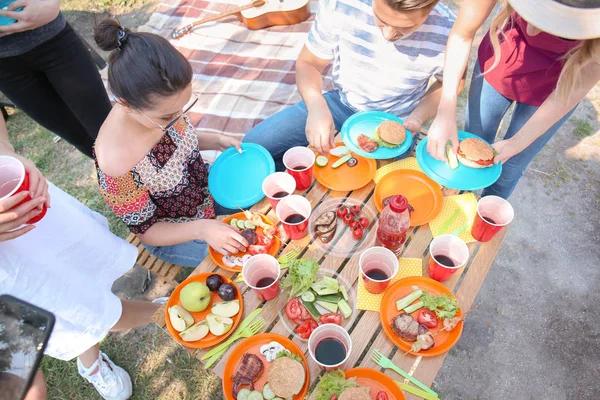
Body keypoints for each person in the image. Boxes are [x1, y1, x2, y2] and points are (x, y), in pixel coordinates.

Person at [0, 113, 160, 400]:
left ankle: (157, 314)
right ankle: (158, 317)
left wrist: (5, 152)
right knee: (71, 308)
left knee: (80, 269)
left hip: (21, 198)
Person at [92, 19, 248, 268]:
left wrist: (215, 140)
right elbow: (148, 230)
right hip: (173, 233)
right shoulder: (116, 164)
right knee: (243, 258)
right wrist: (202, 229)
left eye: (182, 109)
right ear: (126, 104)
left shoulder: (158, 108)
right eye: (167, 117)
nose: (177, 118)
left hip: (204, 193)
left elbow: (178, 140)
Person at [243, 0, 460, 165]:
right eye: (381, 20)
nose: (387, 35)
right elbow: (309, 63)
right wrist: (316, 105)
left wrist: (418, 117)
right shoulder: (343, 4)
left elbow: (449, 85)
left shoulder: (449, 31)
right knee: (254, 146)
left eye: (404, 29)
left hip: (397, 122)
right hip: (339, 104)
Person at [426, 0, 600, 199]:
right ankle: (459, 203)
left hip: (559, 85)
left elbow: (571, 91)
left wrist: (517, 143)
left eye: (557, 26)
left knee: (510, 168)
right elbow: (462, 34)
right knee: (472, 146)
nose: (533, 30)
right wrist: (445, 108)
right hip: (500, 59)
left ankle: (483, 222)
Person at [0, 0, 112, 158]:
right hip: (6, 70)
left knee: (108, 129)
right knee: (84, 142)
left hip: (51, 38)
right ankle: (128, 182)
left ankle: (150, 175)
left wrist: (51, 3)